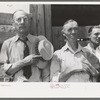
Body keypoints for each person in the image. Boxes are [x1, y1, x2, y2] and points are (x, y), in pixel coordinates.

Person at [0, 10, 54, 82]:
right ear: (13, 24)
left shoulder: (40, 42)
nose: (22, 22)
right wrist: (24, 62)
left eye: (25, 19)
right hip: (16, 88)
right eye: (19, 19)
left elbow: (46, 73)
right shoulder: (7, 44)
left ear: (29, 23)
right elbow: (4, 71)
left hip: (36, 87)